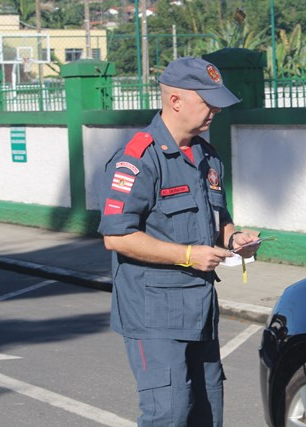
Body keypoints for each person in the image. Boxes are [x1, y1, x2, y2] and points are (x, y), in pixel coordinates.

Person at [97, 57, 259, 427]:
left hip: (199, 309)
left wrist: (235, 239)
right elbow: (116, 236)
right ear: (175, 101)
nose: (216, 110)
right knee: (168, 414)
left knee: (207, 413)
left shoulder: (207, 156)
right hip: (153, 314)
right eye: (208, 102)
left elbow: (218, 218)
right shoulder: (138, 159)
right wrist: (187, 255)